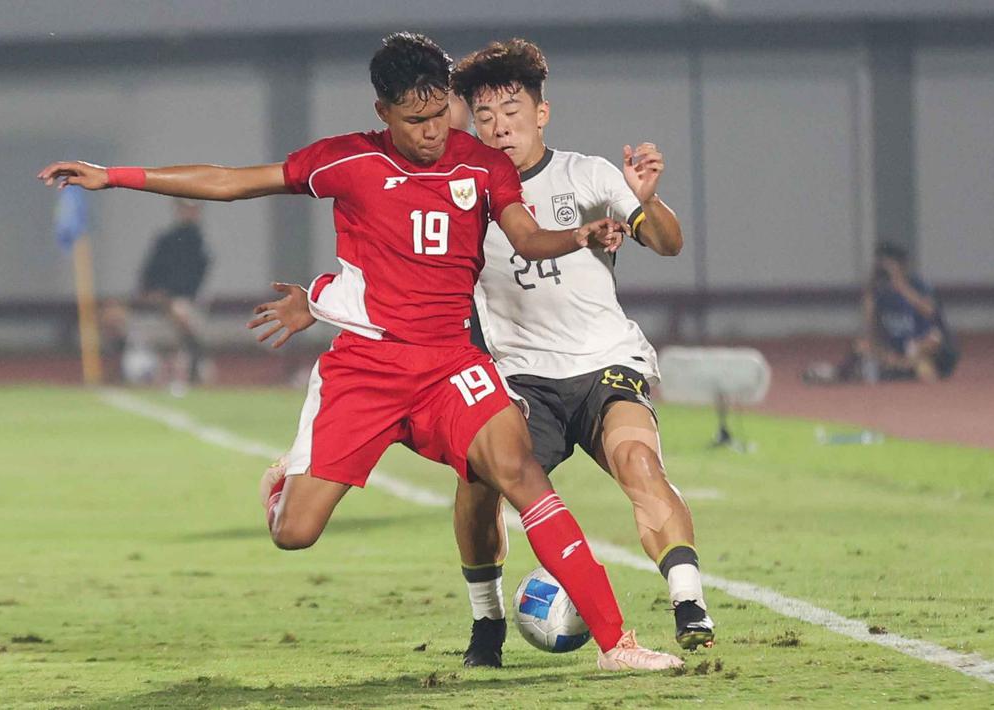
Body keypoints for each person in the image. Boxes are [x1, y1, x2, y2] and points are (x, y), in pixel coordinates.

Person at [38, 32, 682, 671]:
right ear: (384, 113)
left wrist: (578, 235)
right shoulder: (346, 162)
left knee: (522, 477)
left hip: (450, 365)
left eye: (439, 115)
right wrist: (115, 179)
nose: (433, 132)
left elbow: (526, 237)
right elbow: (233, 181)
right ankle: (283, 485)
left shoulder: (482, 165)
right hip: (366, 369)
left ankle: (617, 645)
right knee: (296, 533)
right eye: (415, 120)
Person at [249, 38, 713, 669]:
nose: (500, 128)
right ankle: (487, 625)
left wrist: (645, 200)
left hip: (601, 361)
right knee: (477, 485)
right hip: (518, 373)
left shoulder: (590, 175)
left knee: (637, 460)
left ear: (541, 113)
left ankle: (687, 607)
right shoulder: (463, 179)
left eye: (513, 113)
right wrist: (323, 300)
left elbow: (667, 244)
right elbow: (398, 269)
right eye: (486, 116)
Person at [803, 242, 959, 385]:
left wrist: (901, 285)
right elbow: (870, 331)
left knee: (930, 342)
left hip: (922, 346)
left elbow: (930, 311)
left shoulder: (917, 285)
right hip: (896, 350)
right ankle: (899, 369)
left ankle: (905, 368)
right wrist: (870, 298)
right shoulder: (877, 291)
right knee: (862, 346)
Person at [103, 199, 213, 390]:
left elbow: (193, 283)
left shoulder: (200, 246)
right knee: (112, 314)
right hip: (154, 302)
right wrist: (150, 293)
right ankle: (118, 365)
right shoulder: (165, 240)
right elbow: (148, 273)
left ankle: (194, 361)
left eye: (193, 210)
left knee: (180, 311)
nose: (189, 213)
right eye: (185, 209)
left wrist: (168, 297)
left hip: (182, 302)